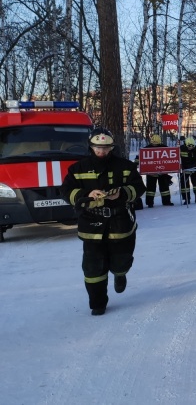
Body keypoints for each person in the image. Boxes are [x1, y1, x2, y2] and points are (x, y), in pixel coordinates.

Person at [61, 127, 146, 316]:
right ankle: (97, 303)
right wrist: (86, 194)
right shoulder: (78, 168)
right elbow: (66, 191)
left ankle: (120, 273)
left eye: (106, 147)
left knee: (121, 260)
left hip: (120, 221)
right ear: (91, 146)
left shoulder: (125, 166)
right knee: (93, 267)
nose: (102, 151)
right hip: (91, 222)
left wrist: (122, 193)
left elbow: (139, 187)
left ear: (111, 147)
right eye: (98, 147)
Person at [135, 134, 174, 207]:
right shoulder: (146, 149)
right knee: (150, 189)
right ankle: (150, 203)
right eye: (153, 144)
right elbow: (139, 157)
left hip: (162, 172)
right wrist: (136, 163)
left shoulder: (165, 148)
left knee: (164, 188)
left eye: (156, 144)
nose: (154, 146)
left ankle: (166, 201)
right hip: (150, 173)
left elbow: (171, 158)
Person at [179, 136, 196, 205]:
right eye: (189, 146)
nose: (191, 148)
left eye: (192, 146)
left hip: (194, 169)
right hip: (184, 169)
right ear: (186, 144)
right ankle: (186, 199)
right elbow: (176, 158)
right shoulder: (181, 149)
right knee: (184, 186)